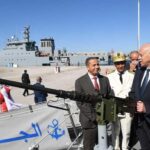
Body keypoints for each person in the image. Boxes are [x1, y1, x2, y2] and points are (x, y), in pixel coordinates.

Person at [75, 57, 111, 150]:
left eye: (98, 64)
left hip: (104, 120)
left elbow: (109, 97)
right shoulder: (80, 81)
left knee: (103, 145)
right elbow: (80, 103)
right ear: (87, 67)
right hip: (89, 122)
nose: (97, 67)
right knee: (89, 146)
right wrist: (95, 117)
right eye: (94, 65)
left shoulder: (105, 80)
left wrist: (106, 115)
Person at [107, 52, 134, 150]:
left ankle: (125, 147)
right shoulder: (109, 76)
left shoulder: (132, 76)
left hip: (127, 107)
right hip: (114, 107)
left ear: (125, 63)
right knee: (115, 131)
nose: (120, 65)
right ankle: (116, 147)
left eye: (122, 63)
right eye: (118, 63)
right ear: (115, 64)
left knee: (126, 131)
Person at [129, 43, 150, 150]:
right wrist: (128, 104)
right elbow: (133, 92)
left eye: (141, 55)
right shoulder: (139, 70)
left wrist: (146, 107)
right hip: (140, 123)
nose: (138, 58)